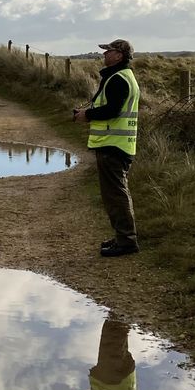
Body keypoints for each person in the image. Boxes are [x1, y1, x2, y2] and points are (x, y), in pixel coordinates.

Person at [72, 38, 140, 257]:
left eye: (108, 51)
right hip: (117, 144)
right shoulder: (121, 76)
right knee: (115, 194)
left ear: (119, 55)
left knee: (116, 195)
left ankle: (127, 241)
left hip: (114, 145)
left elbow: (113, 110)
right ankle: (122, 237)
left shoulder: (119, 79)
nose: (104, 54)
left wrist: (86, 115)